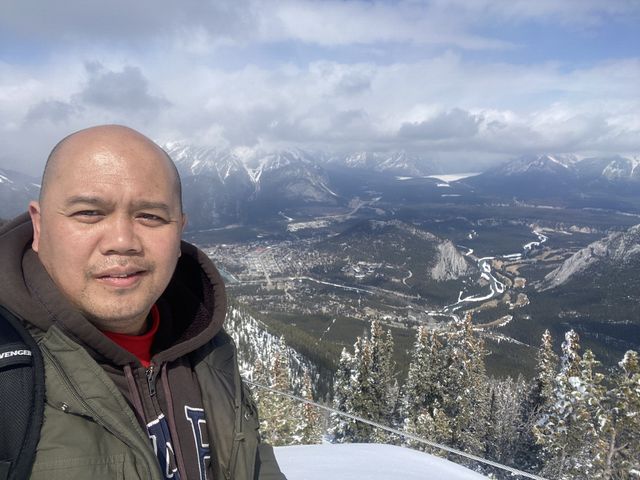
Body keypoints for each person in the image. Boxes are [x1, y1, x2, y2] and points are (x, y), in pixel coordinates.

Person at [0, 125, 286, 480]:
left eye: (150, 216)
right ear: (39, 226)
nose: (122, 241)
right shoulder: (10, 375)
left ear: (179, 230)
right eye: (89, 213)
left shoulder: (207, 351)